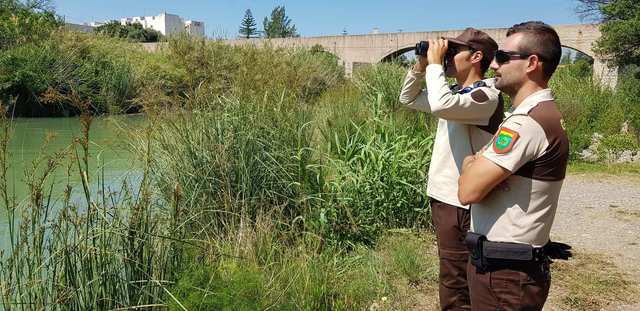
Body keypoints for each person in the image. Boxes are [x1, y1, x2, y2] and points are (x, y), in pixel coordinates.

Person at [457, 21, 571, 311]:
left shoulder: (527, 123)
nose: (494, 63)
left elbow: (468, 190)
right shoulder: (536, 115)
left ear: (532, 63)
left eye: (504, 57)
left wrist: (472, 161)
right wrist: (479, 163)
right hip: (507, 269)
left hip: (505, 275)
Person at [399, 28, 502, 310]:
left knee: (457, 278)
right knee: (453, 273)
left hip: (463, 203)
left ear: (477, 56)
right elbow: (407, 98)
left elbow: (442, 105)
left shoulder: (486, 95)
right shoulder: (457, 93)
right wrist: (421, 65)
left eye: (455, 52)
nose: (449, 56)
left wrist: (435, 66)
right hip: (445, 198)